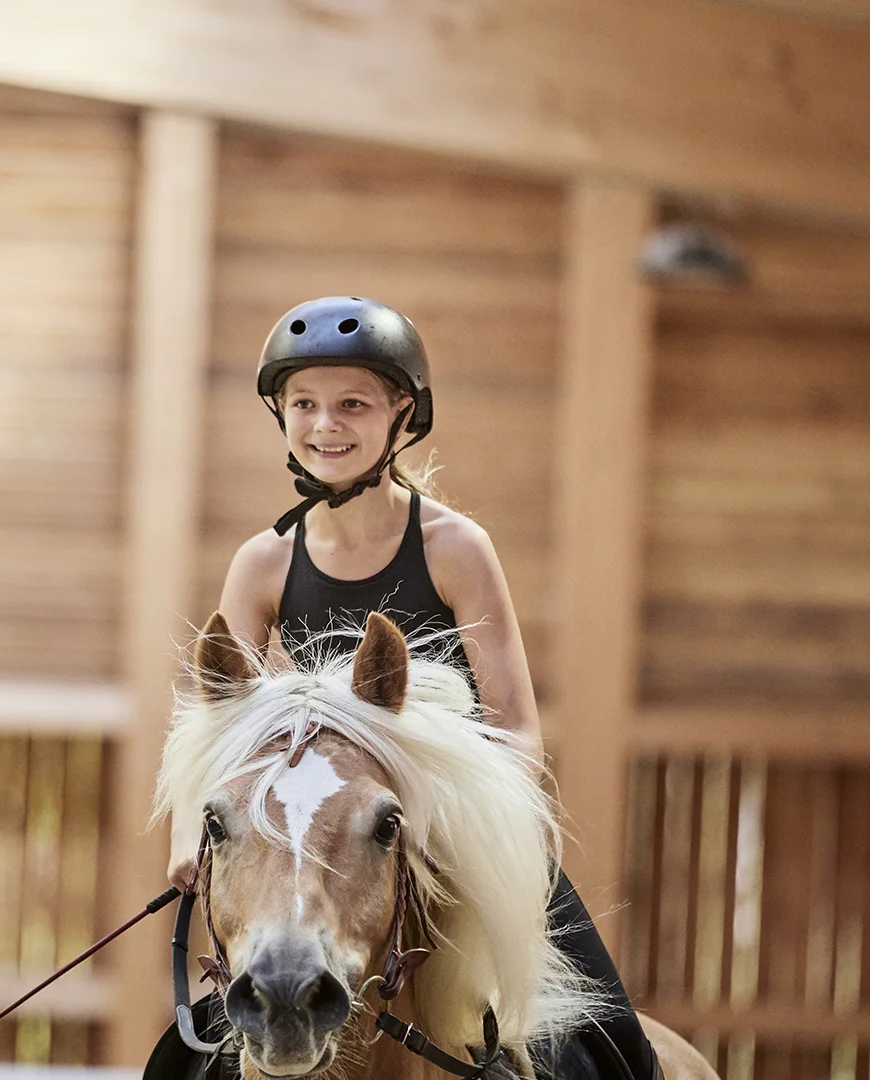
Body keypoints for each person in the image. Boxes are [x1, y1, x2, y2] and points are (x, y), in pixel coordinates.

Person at [150, 296, 659, 1080]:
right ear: (281, 415)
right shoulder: (261, 564)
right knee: (174, 1062)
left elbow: (515, 724)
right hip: (316, 848)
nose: (326, 424)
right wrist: (190, 834)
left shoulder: (455, 548)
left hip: (444, 841)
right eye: (304, 405)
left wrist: (475, 830)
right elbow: (212, 732)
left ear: (402, 412)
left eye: (352, 403)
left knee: (616, 1043)